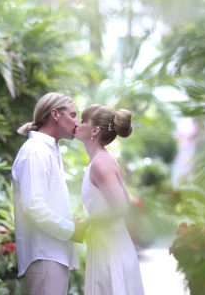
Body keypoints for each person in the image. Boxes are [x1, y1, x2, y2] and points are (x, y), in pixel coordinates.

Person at [12, 92, 88, 295]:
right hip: (44, 255)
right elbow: (33, 206)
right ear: (55, 114)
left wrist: (69, 221)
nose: (77, 122)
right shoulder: (35, 151)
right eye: (73, 115)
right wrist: (70, 229)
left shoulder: (49, 149)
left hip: (52, 254)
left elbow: (44, 202)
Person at [74, 104, 145, 295]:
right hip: (106, 243)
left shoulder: (101, 163)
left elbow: (121, 207)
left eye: (82, 120)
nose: (77, 124)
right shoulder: (99, 160)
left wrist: (88, 221)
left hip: (110, 247)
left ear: (95, 130)